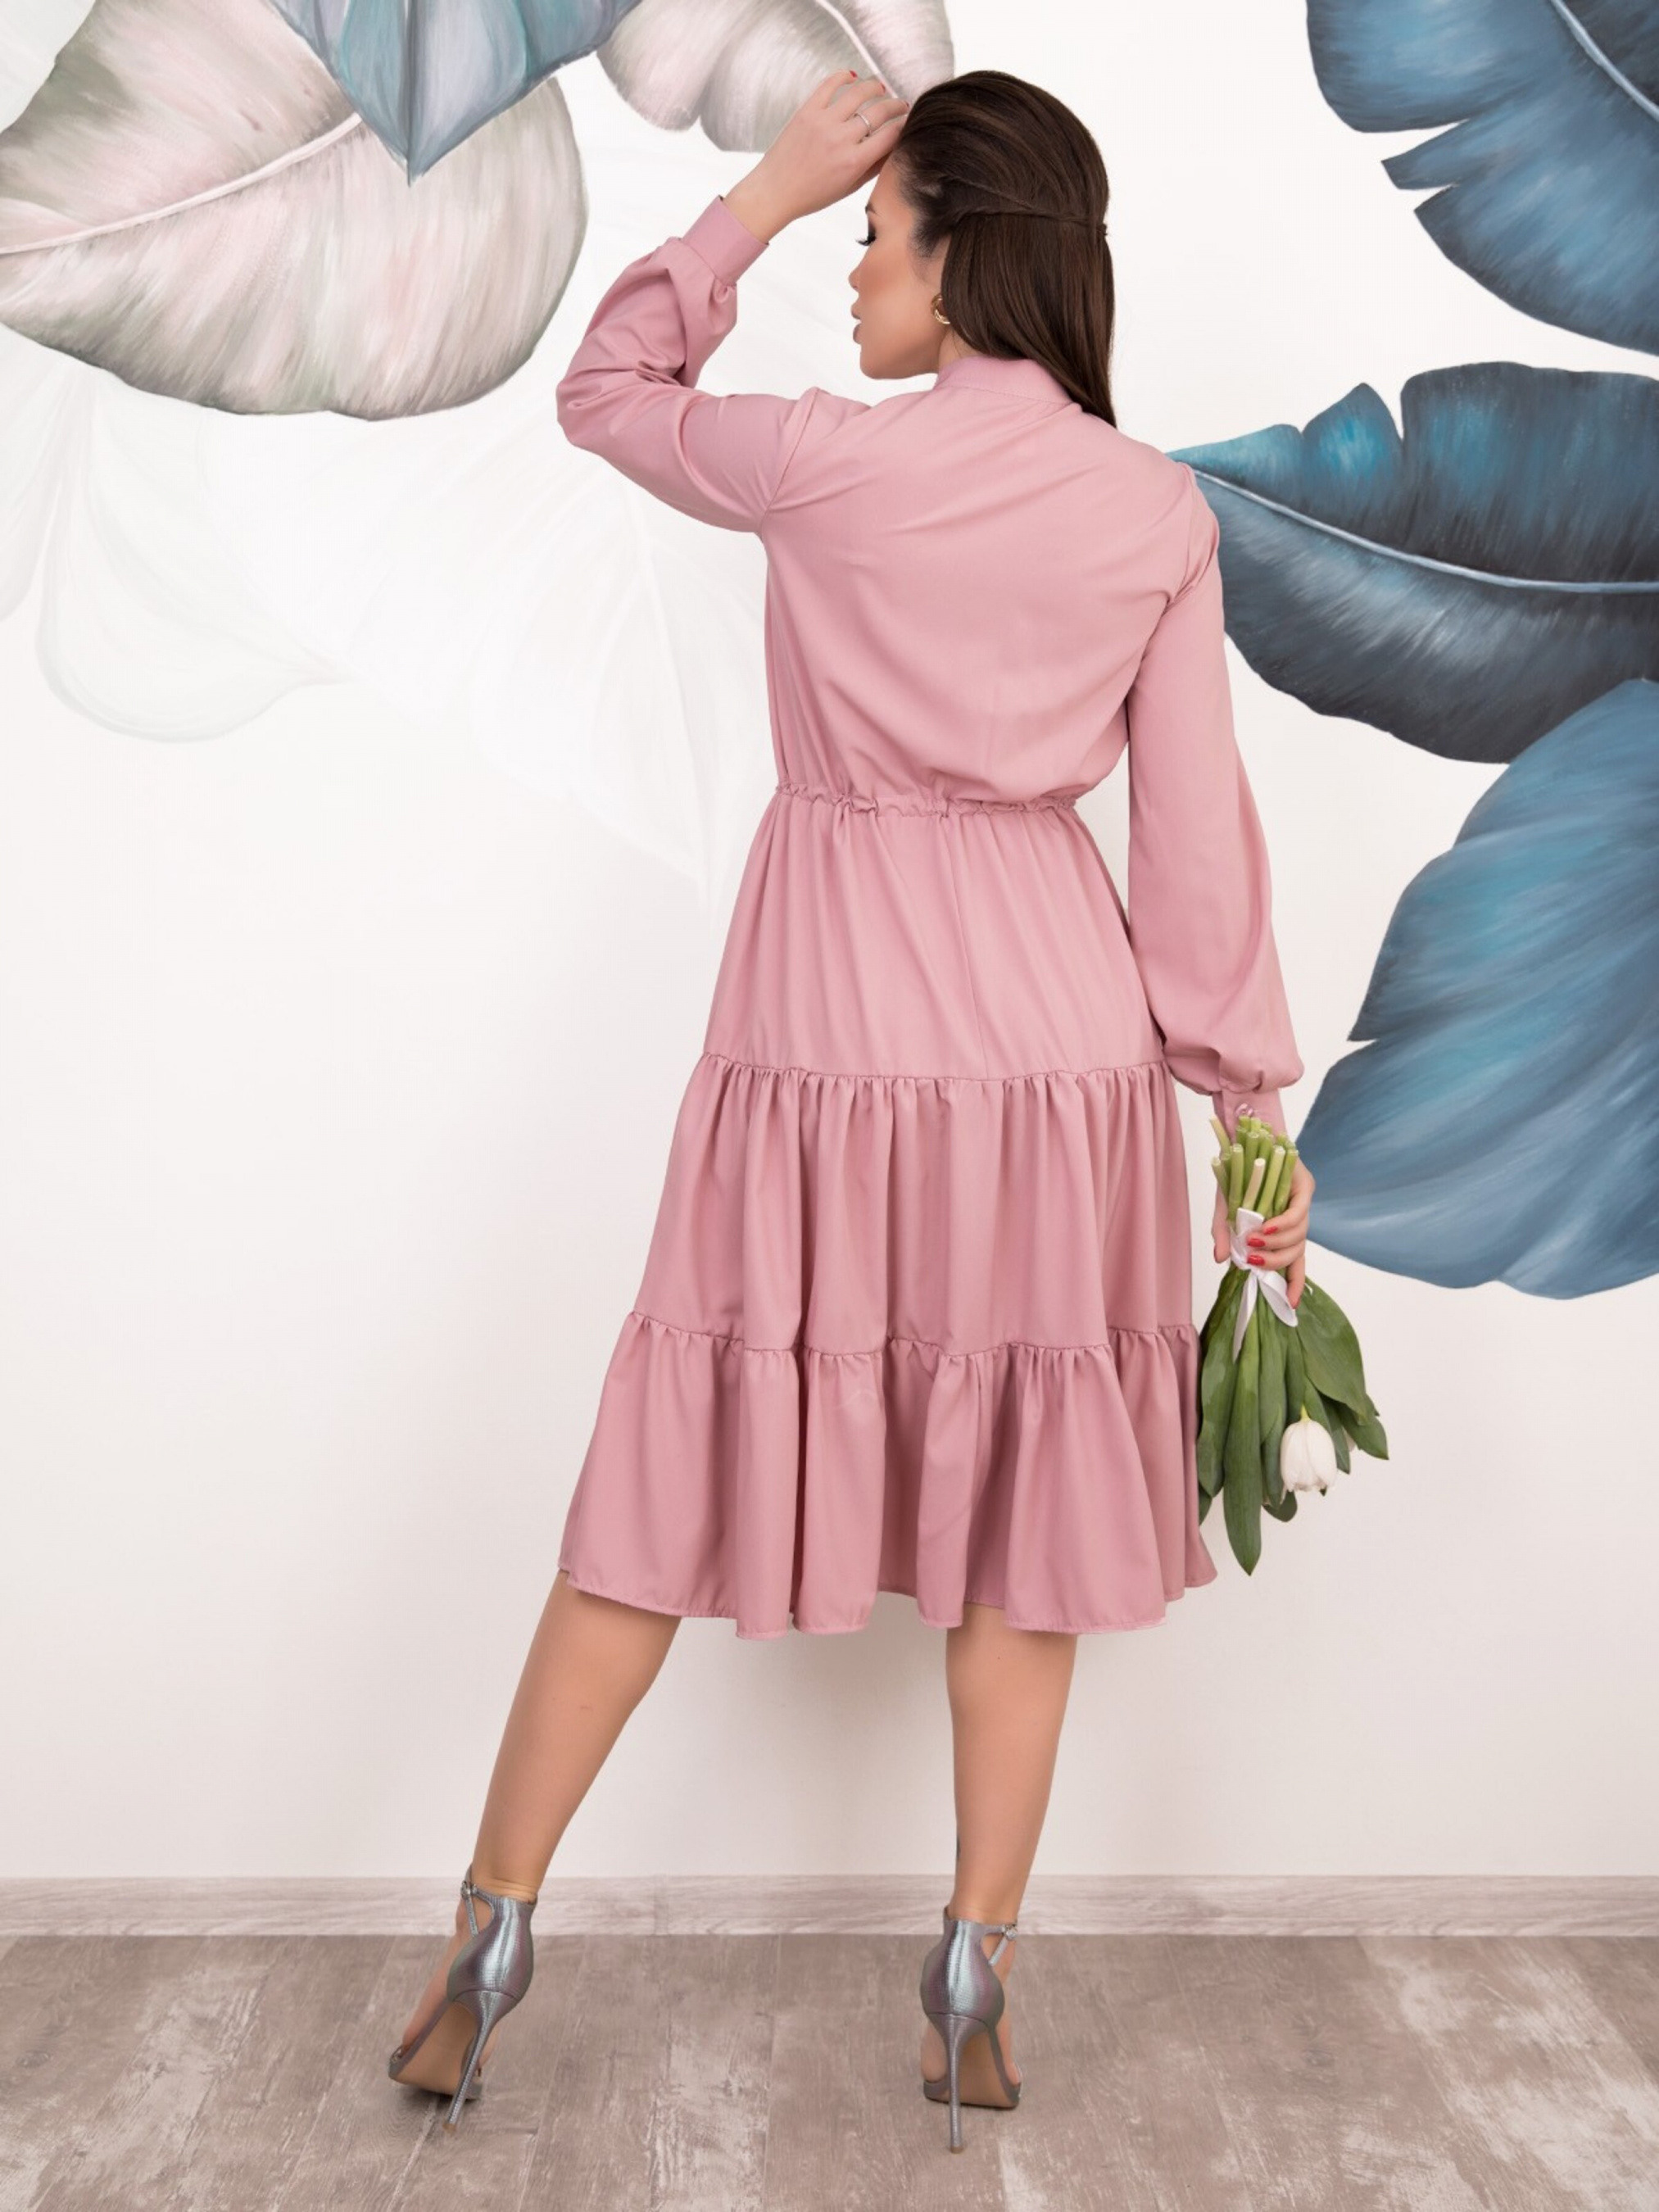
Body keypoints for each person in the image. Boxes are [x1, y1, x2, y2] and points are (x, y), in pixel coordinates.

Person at [387, 65, 1312, 2152]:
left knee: (670, 1458)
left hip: (821, 1031)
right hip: (1051, 1065)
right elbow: (1192, 849)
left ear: (963, 254)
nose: (853, 272)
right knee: (1023, 1534)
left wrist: (756, 196)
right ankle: (974, 1972)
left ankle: (486, 1933)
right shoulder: (1151, 514)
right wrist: (1250, 1120)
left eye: (876, 237)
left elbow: (606, 391)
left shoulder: (823, 466)